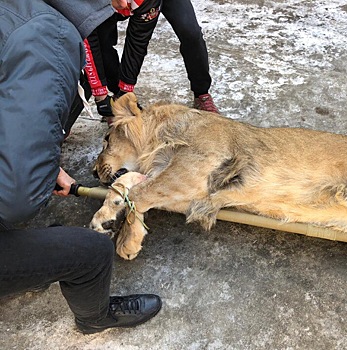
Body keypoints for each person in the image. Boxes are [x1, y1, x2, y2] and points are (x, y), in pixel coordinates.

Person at [0, 0, 162, 334]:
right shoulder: (46, 34)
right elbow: (18, 198)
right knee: (91, 251)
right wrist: (36, 172)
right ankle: (94, 318)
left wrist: (35, 155)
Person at [83, 0, 219, 122]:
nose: (124, 5)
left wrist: (126, 90)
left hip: (144, 3)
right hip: (101, 4)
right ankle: (116, 97)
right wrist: (101, 94)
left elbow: (138, 41)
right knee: (103, 42)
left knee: (190, 33)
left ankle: (202, 93)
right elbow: (89, 37)